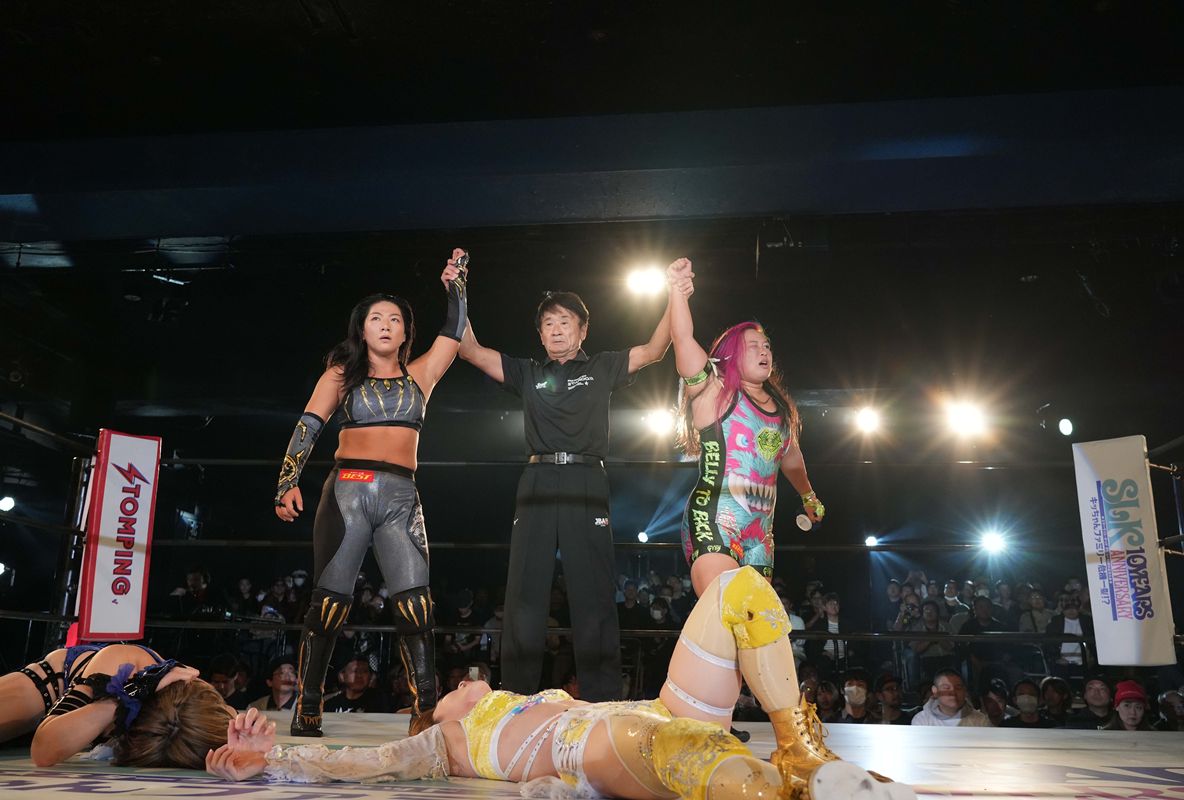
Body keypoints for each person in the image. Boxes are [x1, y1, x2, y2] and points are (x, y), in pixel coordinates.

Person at [207, 565, 914, 800]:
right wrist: (272, 758)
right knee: (693, 754)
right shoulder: (449, 739)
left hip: (661, 709)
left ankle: (801, 752)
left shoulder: (523, 699)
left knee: (738, 587)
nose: (462, 684)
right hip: (615, 743)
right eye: (448, 691)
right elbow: (366, 763)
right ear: (437, 716)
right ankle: (797, 789)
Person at [272, 249, 468, 735]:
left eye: (394, 319)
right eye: (376, 318)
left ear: (404, 333)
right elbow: (308, 426)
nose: (385, 325)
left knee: (416, 605)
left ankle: (425, 712)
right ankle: (308, 704)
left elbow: (453, 331)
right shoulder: (341, 375)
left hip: (401, 496)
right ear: (362, 329)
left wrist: (457, 285)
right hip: (348, 492)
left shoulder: (422, 374)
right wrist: (287, 482)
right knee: (329, 603)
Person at [456, 282, 671, 701]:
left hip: (586, 479)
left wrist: (676, 294)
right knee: (524, 591)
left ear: (583, 329)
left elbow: (655, 349)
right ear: (540, 334)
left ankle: (602, 700)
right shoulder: (527, 373)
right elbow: (469, 350)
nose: (556, 330)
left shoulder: (603, 367)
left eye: (565, 322)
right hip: (536, 480)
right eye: (549, 324)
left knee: (593, 592)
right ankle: (514, 698)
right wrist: (458, 290)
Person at [665, 258, 822, 596]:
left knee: (753, 622)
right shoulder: (715, 390)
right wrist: (677, 291)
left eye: (767, 346)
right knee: (723, 610)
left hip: (760, 535)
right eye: (754, 346)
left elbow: (791, 457)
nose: (764, 351)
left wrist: (808, 495)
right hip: (715, 519)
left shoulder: (782, 410)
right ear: (733, 354)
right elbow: (683, 338)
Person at [0, 642, 232, 768]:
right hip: (46, 694)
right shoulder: (125, 661)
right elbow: (43, 752)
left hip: (70, 738)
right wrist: (129, 694)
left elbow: (231, 721)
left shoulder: (200, 722)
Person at [910, 669, 990, 727]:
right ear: (935, 691)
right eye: (946, 688)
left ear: (964, 691)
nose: (953, 692)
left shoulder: (981, 720)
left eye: (958, 688)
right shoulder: (922, 720)